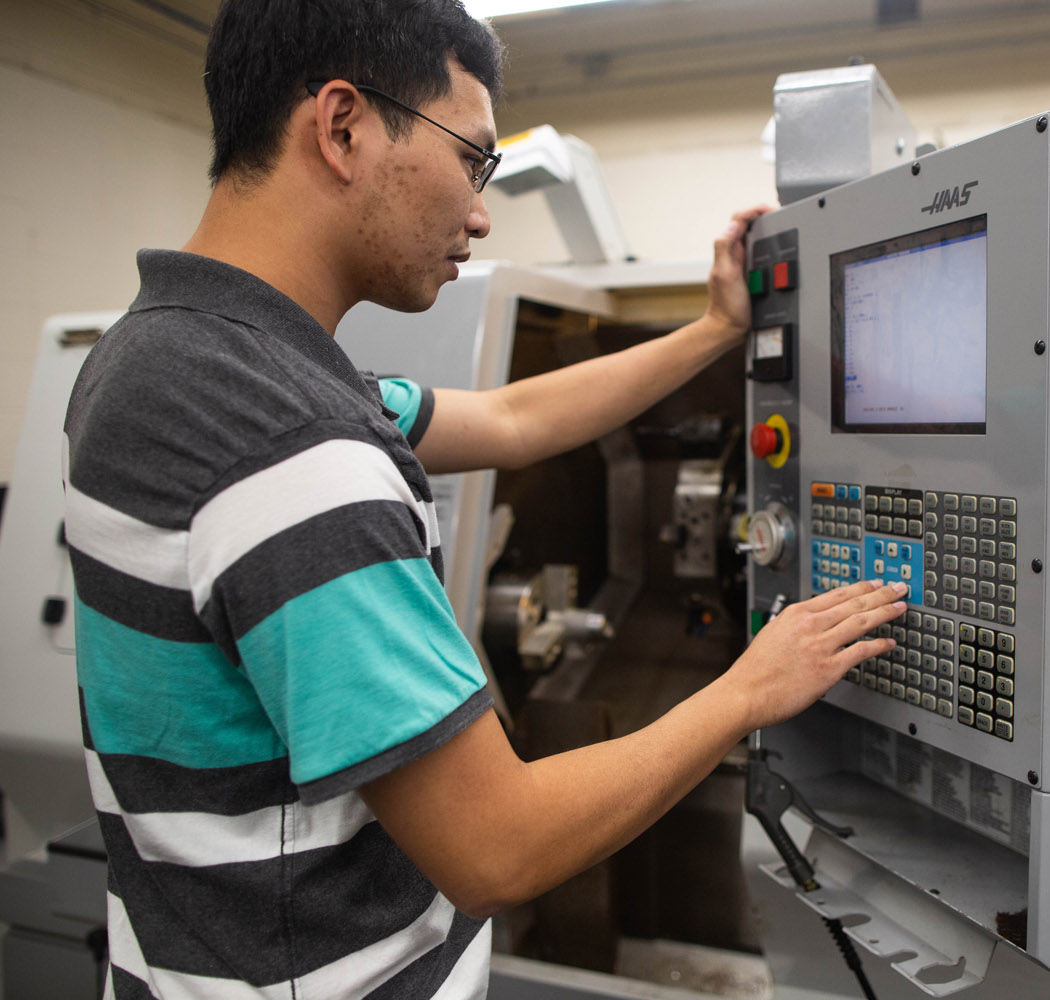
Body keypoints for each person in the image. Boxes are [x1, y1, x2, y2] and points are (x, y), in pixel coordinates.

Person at [61, 1, 907, 997]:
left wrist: (717, 328)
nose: (480, 211)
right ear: (343, 127)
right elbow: (496, 846)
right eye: (473, 159)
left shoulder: (161, 359)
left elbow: (509, 420)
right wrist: (751, 690)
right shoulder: (288, 441)